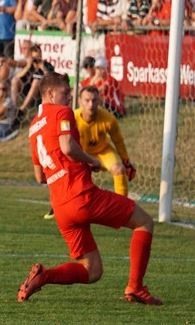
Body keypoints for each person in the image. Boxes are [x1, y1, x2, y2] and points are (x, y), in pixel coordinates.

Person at [17, 71, 161, 306]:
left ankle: (45, 276)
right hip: (81, 196)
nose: (69, 97)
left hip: (60, 208)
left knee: (92, 270)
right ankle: (135, 287)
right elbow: (67, 146)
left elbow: (39, 176)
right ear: (50, 93)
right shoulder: (62, 112)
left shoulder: (33, 127)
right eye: (65, 92)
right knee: (144, 222)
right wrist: (91, 160)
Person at [44, 84, 136, 220]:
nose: (91, 104)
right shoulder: (72, 117)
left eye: (94, 100)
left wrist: (126, 160)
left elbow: (118, 141)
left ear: (99, 101)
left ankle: (122, 209)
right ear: (80, 102)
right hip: (81, 154)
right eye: (87, 100)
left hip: (102, 151)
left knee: (119, 169)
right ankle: (56, 206)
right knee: (64, 174)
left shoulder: (109, 119)